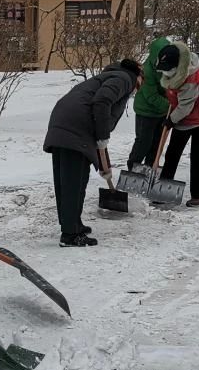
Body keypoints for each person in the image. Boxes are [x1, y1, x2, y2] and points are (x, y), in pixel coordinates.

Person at [43, 59, 142, 246]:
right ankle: (70, 235)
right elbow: (102, 101)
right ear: (137, 76)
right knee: (74, 181)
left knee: (67, 180)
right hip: (76, 125)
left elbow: (99, 120)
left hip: (63, 120)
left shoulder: (109, 75)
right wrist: (103, 136)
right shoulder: (124, 79)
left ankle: (72, 224)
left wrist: (104, 163)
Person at [157, 41, 199, 208]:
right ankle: (164, 192)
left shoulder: (191, 80)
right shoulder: (176, 70)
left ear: (178, 66)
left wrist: (170, 120)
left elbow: (185, 107)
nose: (165, 72)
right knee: (172, 153)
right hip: (184, 114)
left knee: (197, 155)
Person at [126, 36, 171, 172]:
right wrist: (170, 105)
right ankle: (133, 166)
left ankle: (150, 166)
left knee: (157, 142)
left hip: (161, 111)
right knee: (143, 142)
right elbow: (151, 96)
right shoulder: (147, 71)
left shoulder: (168, 66)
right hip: (145, 111)